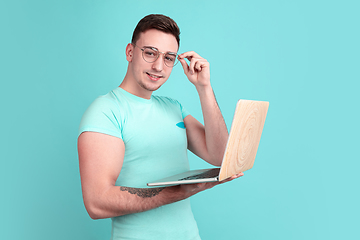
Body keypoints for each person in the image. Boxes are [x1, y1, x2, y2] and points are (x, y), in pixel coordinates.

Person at [77, 14, 243, 240]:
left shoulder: (174, 108)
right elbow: (96, 203)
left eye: (168, 58)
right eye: (150, 53)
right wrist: (177, 192)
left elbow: (222, 157)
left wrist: (204, 87)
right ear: (130, 52)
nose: (158, 66)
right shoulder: (106, 110)